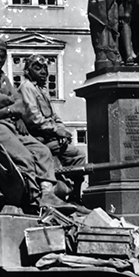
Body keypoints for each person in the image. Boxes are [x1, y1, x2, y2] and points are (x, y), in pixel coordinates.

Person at [0, 37, 65, 210]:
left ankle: (48, 194)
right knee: (23, 156)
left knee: (42, 151)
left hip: (6, 123)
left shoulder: (2, 76)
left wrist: (11, 111)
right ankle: (32, 198)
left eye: (2, 56)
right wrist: (11, 104)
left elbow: (20, 104)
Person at [17, 54, 87, 198]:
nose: (43, 72)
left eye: (45, 68)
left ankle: (75, 197)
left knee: (78, 156)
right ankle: (50, 193)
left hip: (50, 138)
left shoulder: (42, 90)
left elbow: (54, 116)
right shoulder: (27, 88)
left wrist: (62, 130)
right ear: (28, 71)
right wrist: (56, 131)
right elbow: (34, 119)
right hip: (36, 140)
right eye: (37, 68)